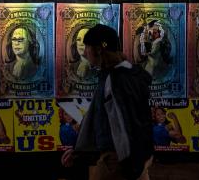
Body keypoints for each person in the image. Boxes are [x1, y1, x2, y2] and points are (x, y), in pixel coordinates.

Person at [61, 24, 154, 180]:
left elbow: (121, 125)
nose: (84, 52)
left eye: (87, 47)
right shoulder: (129, 75)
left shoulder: (116, 80)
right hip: (136, 160)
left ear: (98, 50)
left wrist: (129, 166)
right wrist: (79, 152)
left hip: (117, 162)